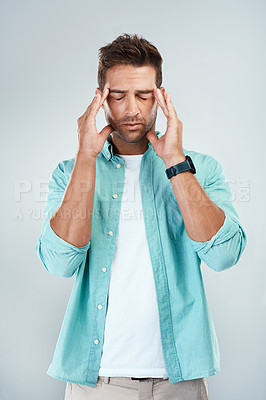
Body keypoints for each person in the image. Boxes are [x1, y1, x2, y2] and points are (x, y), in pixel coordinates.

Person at [36, 33, 247, 400]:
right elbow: (58, 262)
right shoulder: (68, 173)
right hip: (97, 380)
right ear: (100, 98)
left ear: (161, 96)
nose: (131, 109)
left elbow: (224, 255)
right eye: (117, 96)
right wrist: (86, 157)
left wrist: (175, 162)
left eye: (143, 95)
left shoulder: (200, 168)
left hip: (180, 378)